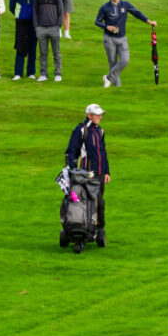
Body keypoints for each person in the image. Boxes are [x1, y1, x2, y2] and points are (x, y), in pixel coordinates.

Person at [65, 104, 110, 244]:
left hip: (100, 174)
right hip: (85, 175)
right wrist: (73, 169)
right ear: (89, 115)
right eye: (97, 115)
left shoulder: (100, 131)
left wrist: (107, 171)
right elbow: (71, 151)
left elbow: (103, 152)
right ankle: (89, 228)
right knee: (87, 202)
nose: (100, 117)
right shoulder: (80, 130)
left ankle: (96, 229)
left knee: (98, 203)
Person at [94, 0, 154, 88]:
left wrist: (148, 21)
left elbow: (137, 13)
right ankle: (117, 86)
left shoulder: (125, 5)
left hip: (122, 38)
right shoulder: (104, 7)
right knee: (112, 63)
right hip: (109, 39)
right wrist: (106, 26)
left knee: (125, 60)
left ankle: (108, 78)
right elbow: (97, 22)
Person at [33, 0, 66, 82]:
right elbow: (35, 13)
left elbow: (61, 13)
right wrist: (37, 27)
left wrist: (58, 26)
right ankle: (43, 74)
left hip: (53, 28)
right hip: (41, 28)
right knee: (43, 53)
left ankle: (58, 73)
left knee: (56, 52)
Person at [10, 0, 37, 80]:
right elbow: (12, 7)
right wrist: (20, 15)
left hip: (33, 23)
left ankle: (31, 73)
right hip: (21, 23)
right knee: (20, 47)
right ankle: (18, 73)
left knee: (32, 47)